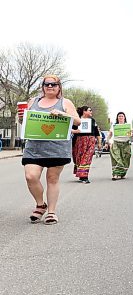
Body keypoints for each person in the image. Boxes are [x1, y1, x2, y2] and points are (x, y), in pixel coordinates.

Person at [22, 75, 81, 225]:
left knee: (52, 179)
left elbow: (78, 121)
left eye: (53, 84)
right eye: (46, 84)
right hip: (34, 147)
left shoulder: (65, 102)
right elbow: (25, 121)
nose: (50, 86)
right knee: (31, 176)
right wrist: (21, 117)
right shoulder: (33, 101)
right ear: (42, 86)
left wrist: (63, 113)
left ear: (59, 87)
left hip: (57, 147)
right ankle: (40, 204)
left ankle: (52, 212)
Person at [71, 106, 101, 183]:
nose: (91, 112)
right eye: (89, 110)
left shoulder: (93, 121)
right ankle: (81, 175)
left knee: (87, 158)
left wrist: (99, 142)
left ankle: (84, 176)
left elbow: (97, 132)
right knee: (79, 158)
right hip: (79, 141)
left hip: (91, 141)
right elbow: (70, 129)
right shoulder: (77, 120)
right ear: (84, 111)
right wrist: (74, 131)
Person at [107, 112, 132, 180]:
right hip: (116, 143)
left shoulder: (128, 125)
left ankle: (122, 173)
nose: (120, 117)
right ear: (117, 118)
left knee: (125, 159)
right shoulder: (114, 125)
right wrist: (107, 141)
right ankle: (115, 174)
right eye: (119, 116)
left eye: (122, 116)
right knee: (117, 158)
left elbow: (131, 134)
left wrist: (131, 135)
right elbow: (110, 134)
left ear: (124, 117)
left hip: (125, 144)